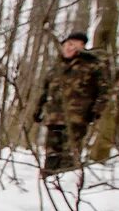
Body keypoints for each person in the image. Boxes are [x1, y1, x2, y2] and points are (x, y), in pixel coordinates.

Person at [33, 31, 109, 175]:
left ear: (82, 47)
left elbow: (104, 91)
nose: (69, 48)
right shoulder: (56, 68)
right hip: (54, 117)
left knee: (69, 154)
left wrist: (96, 111)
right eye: (67, 44)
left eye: (74, 45)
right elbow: (45, 91)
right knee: (51, 153)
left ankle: (65, 184)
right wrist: (38, 110)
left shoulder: (92, 66)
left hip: (77, 118)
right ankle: (48, 180)